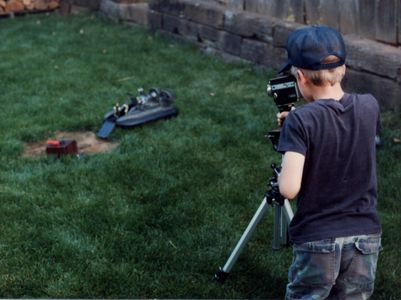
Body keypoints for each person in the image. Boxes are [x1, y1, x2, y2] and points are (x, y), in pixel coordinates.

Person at [276, 25, 382, 299]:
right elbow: (340, 132)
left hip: (318, 239)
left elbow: (288, 189)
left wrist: (294, 132)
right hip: (365, 237)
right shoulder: (370, 106)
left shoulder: (300, 120)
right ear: (343, 69)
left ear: (301, 77)